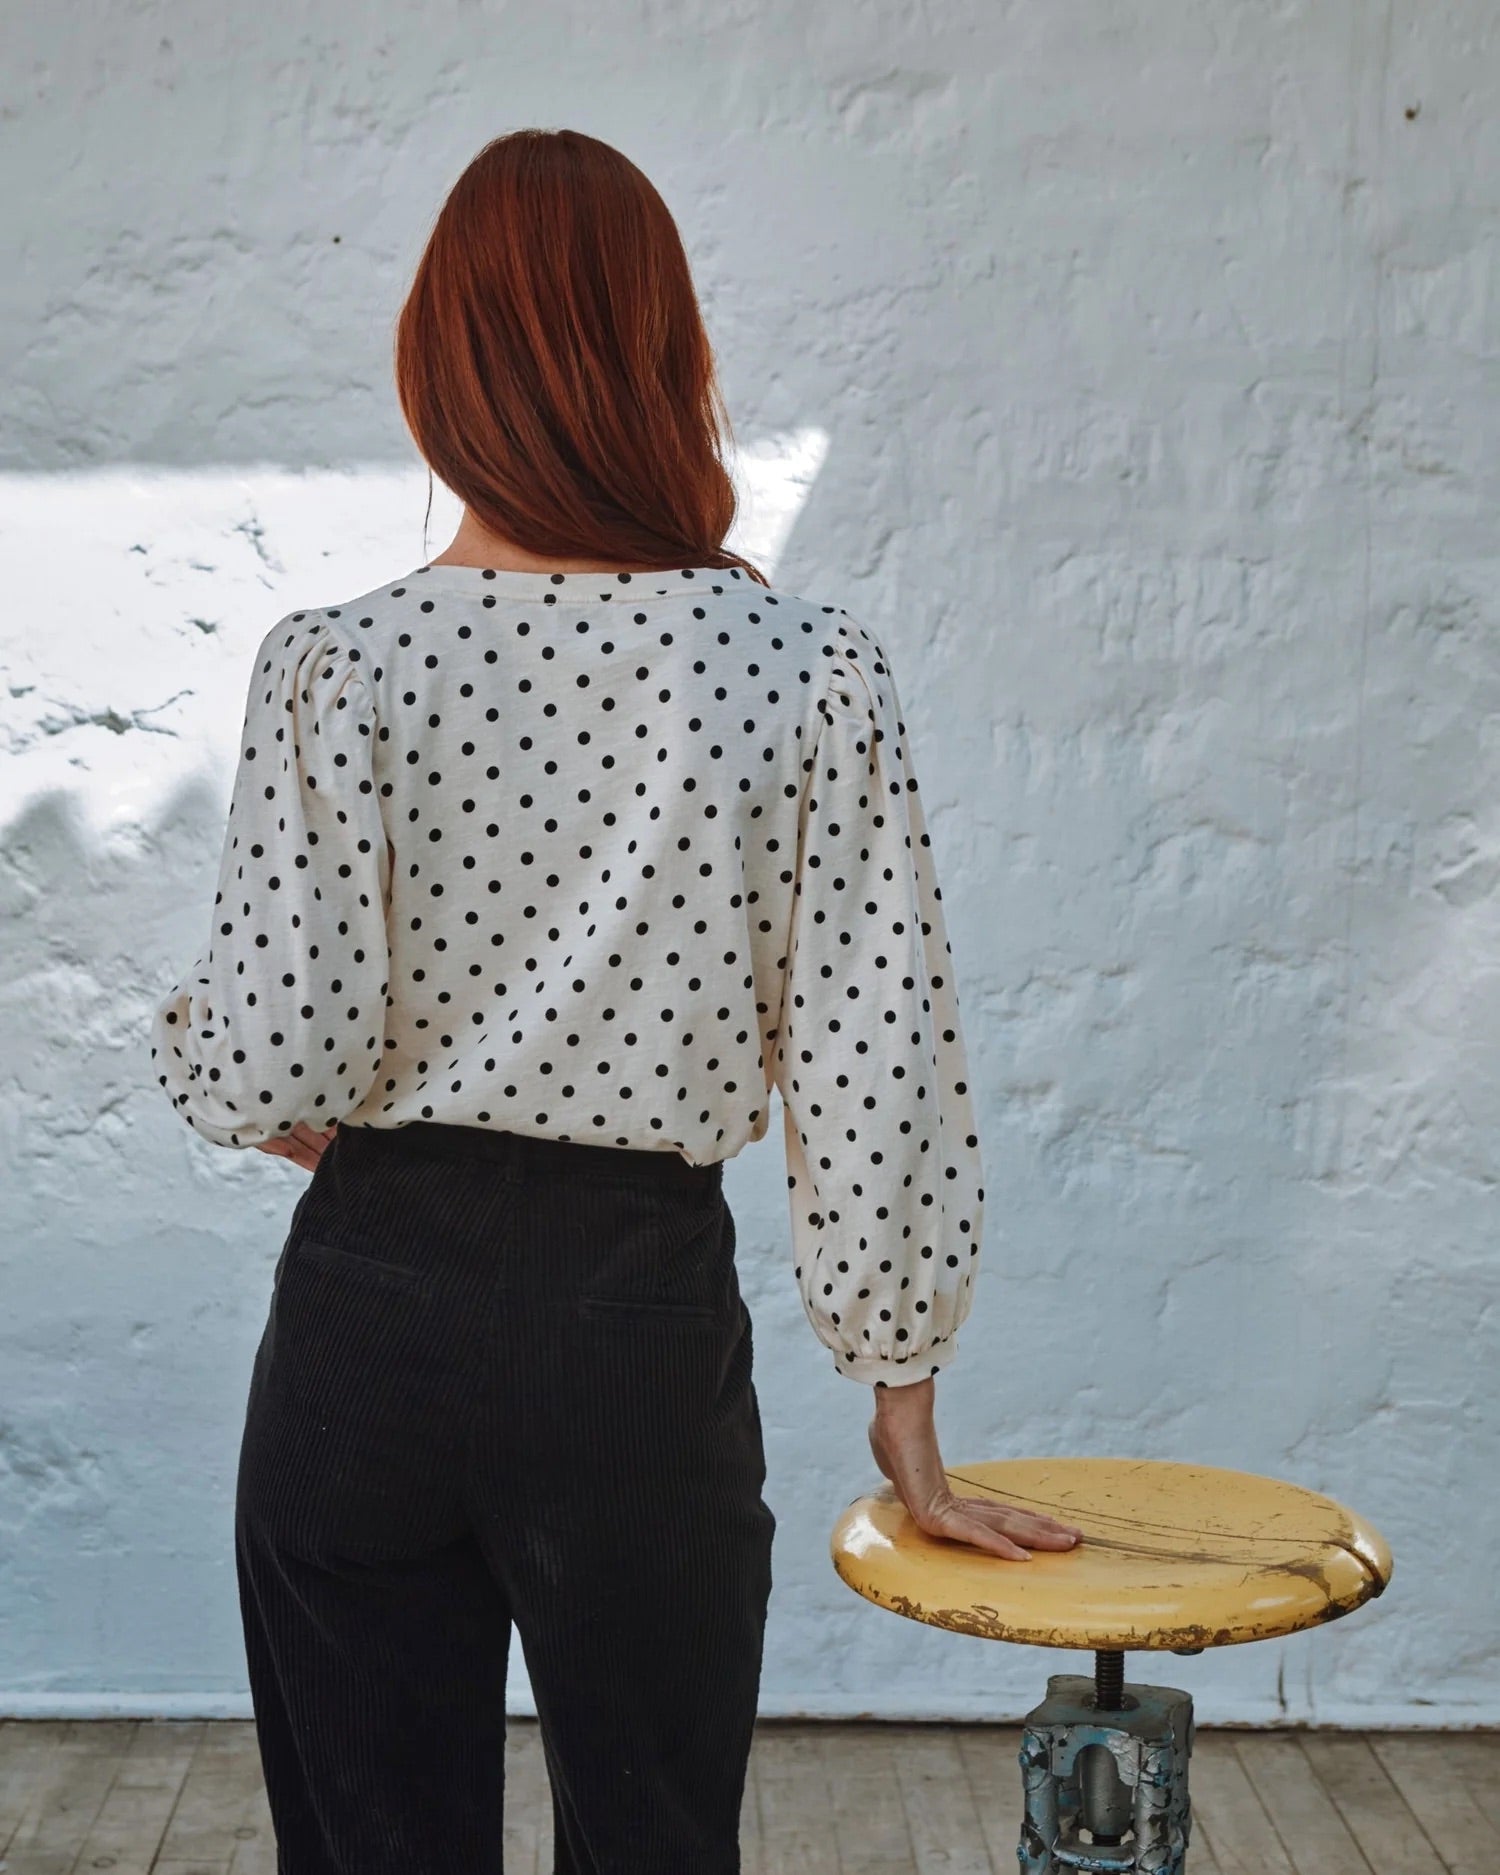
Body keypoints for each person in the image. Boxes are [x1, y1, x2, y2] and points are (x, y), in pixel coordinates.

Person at [148, 126, 1081, 1875]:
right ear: (670, 366)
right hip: (638, 1326)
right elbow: (874, 1074)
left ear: (439, 368)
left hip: (368, 1318)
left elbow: (278, 1059)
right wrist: (909, 1423)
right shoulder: (810, 671)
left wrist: (217, 1058)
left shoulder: (336, 665)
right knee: (658, 1844)